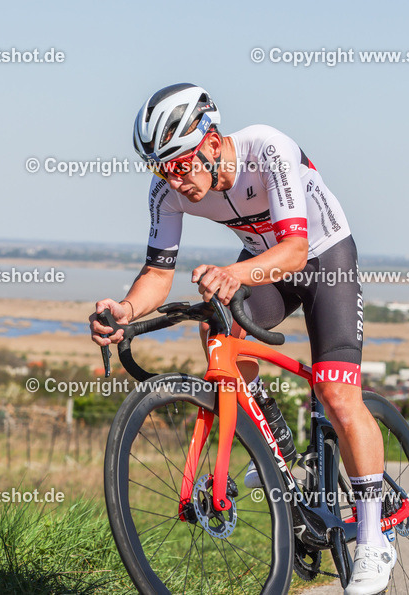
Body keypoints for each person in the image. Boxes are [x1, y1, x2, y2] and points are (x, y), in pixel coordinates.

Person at [90, 83, 393, 595]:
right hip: (267, 266)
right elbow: (157, 274)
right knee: (217, 329)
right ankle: (271, 438)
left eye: (181, 163)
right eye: (162, 168)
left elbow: (296, 250)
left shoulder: (265, 148)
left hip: (322, 259)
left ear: (211, 139)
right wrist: (125, 308)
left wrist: (236, 276)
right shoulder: (168, 191)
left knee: (337, 394)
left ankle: (372, 540)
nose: (175, 179)